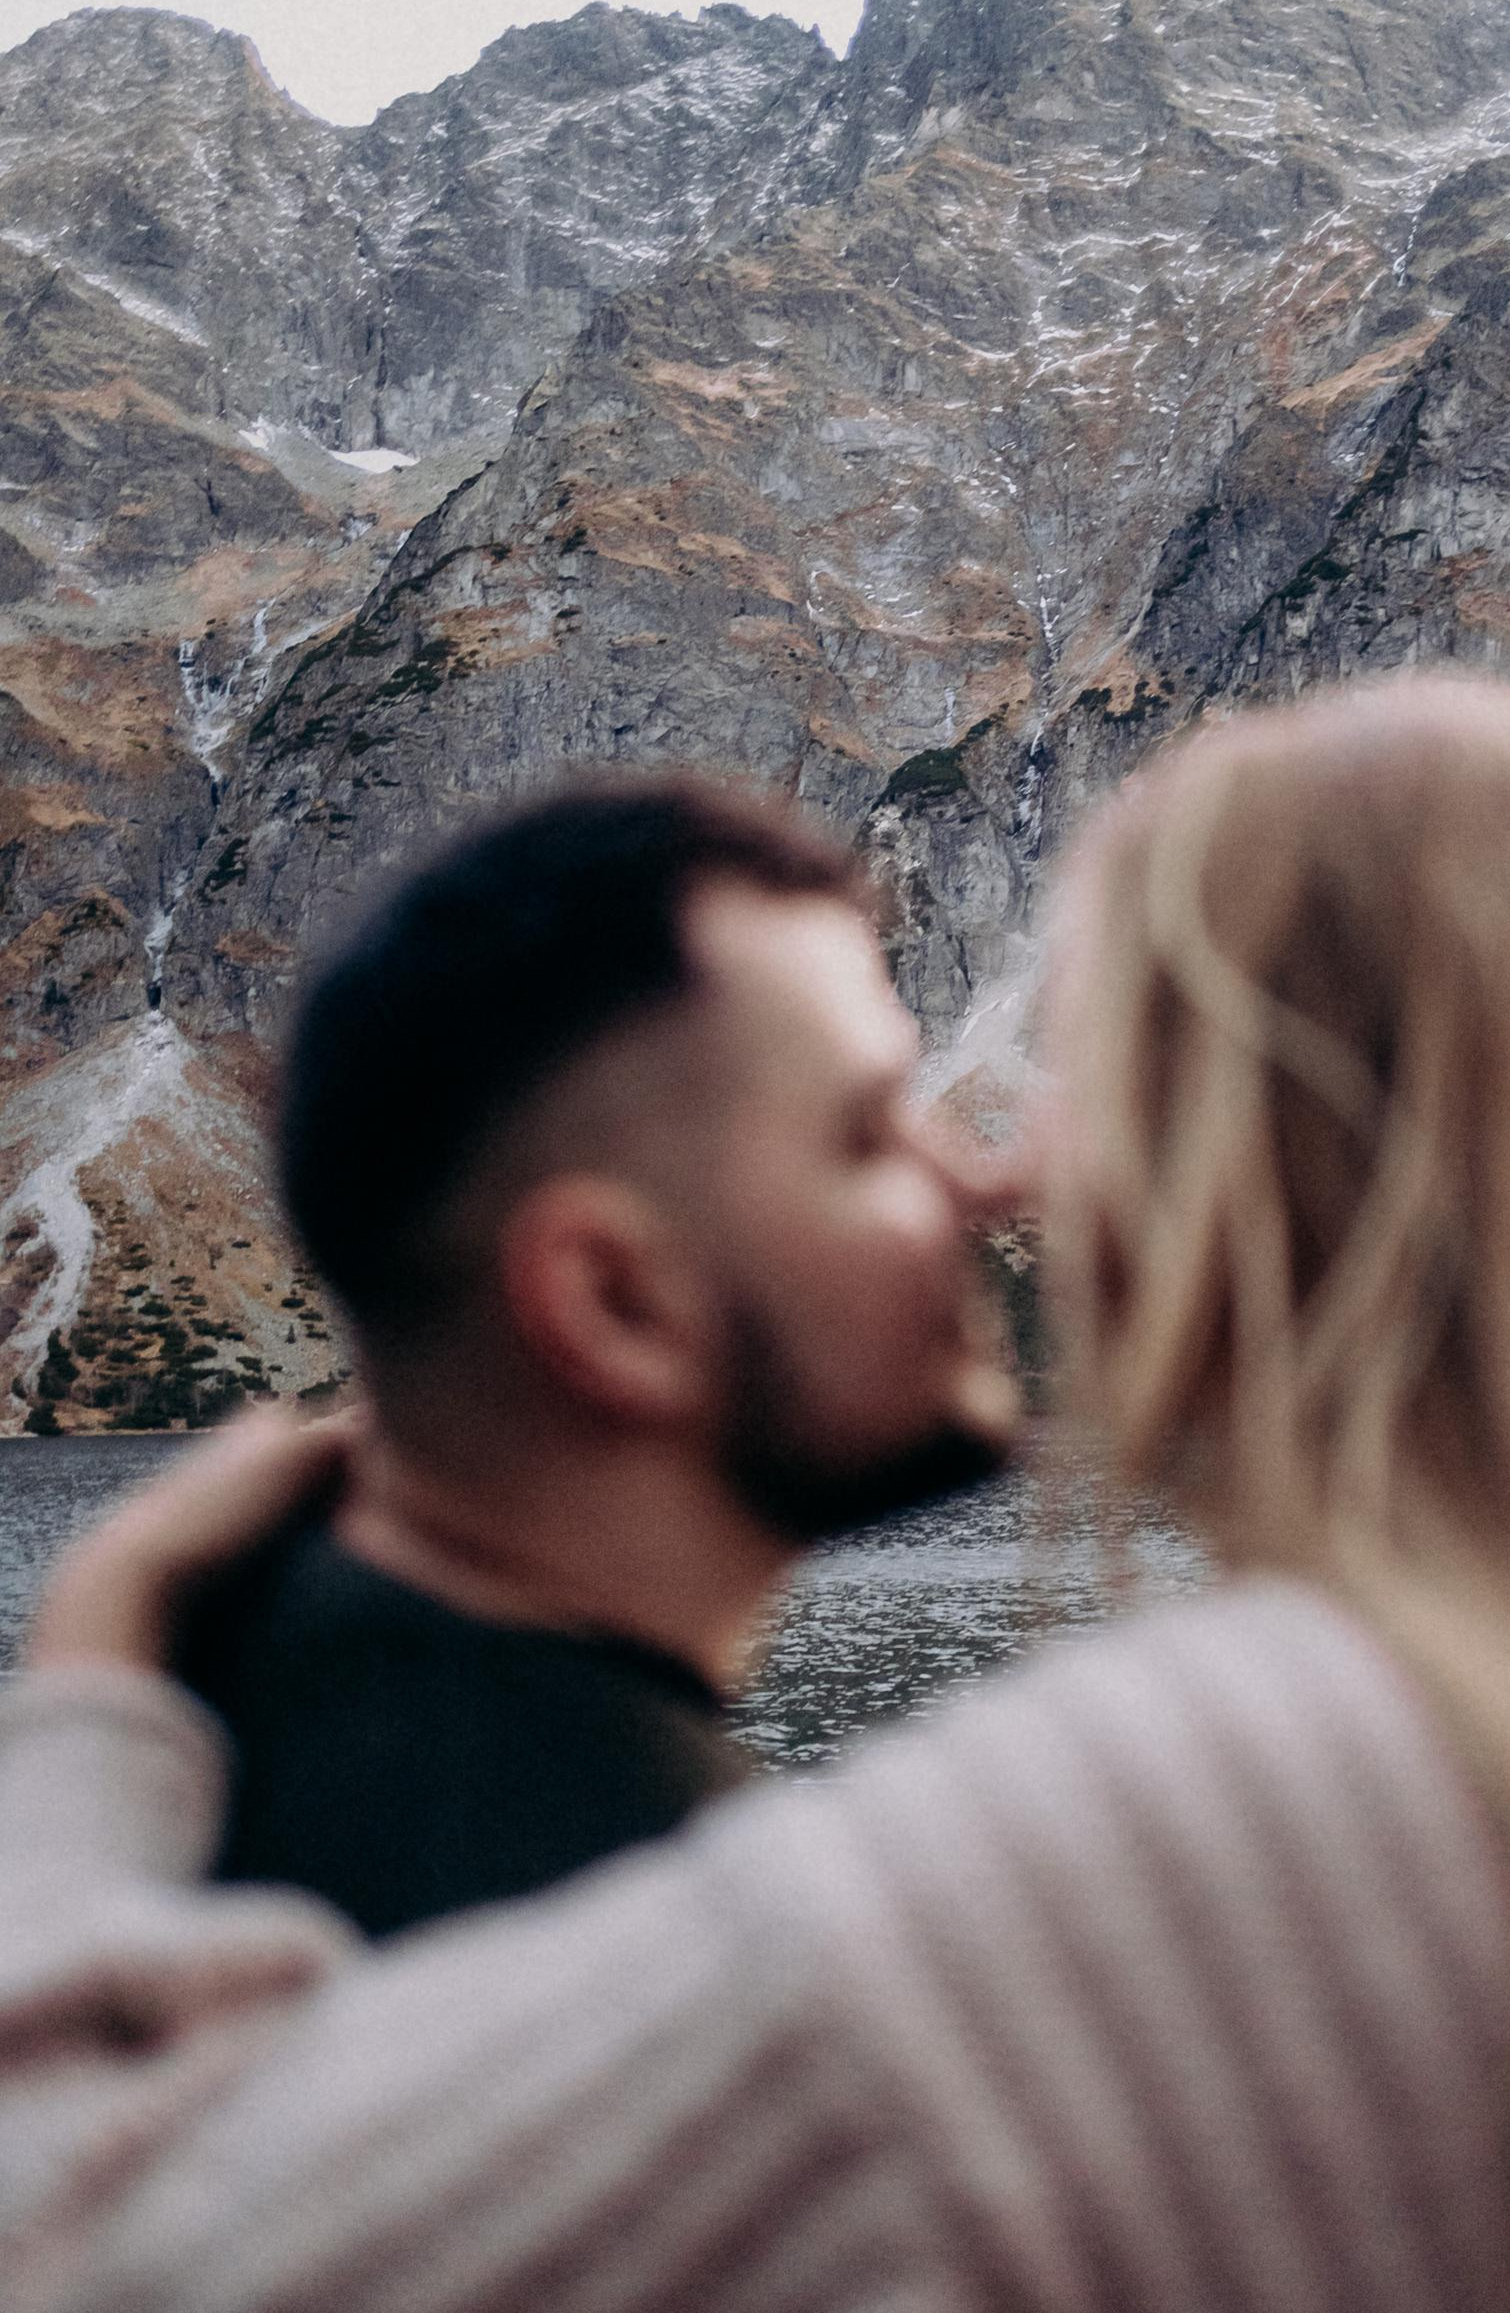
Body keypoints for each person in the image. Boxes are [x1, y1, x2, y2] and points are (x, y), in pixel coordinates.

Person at [4, 671, 1510, 2313]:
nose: (1004, 1171)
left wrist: (91, 1684)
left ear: (1273, 1150)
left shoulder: (1209, 1824)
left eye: (1087, 1078)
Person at [175, 776, 1019, 1934]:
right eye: (867, 1134)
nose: (977, 1185)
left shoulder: (221, 1750)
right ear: (614, 1304)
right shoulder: (679, 1948)